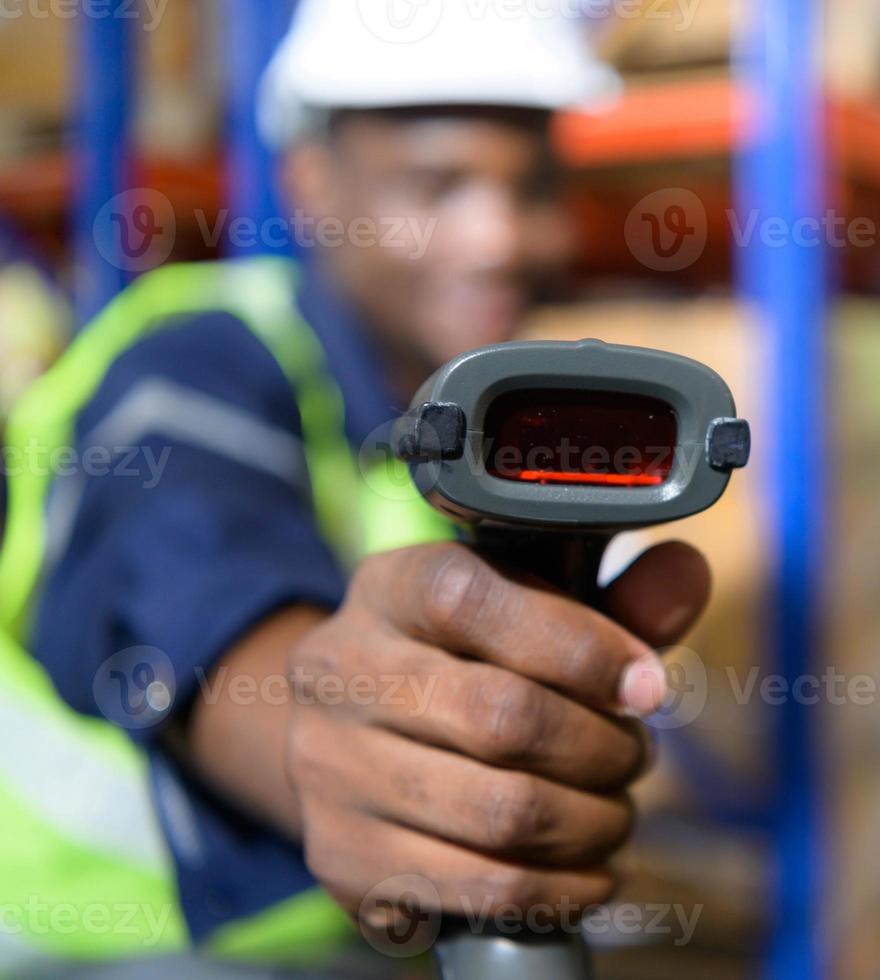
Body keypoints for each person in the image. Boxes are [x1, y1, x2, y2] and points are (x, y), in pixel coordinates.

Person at [0, 0, 710, 968]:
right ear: (313, 186)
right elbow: (190, 581)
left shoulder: (461, 426)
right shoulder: (192, 365)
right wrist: (325, 739)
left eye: (533, 185)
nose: (498, 236)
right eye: (437, 182)